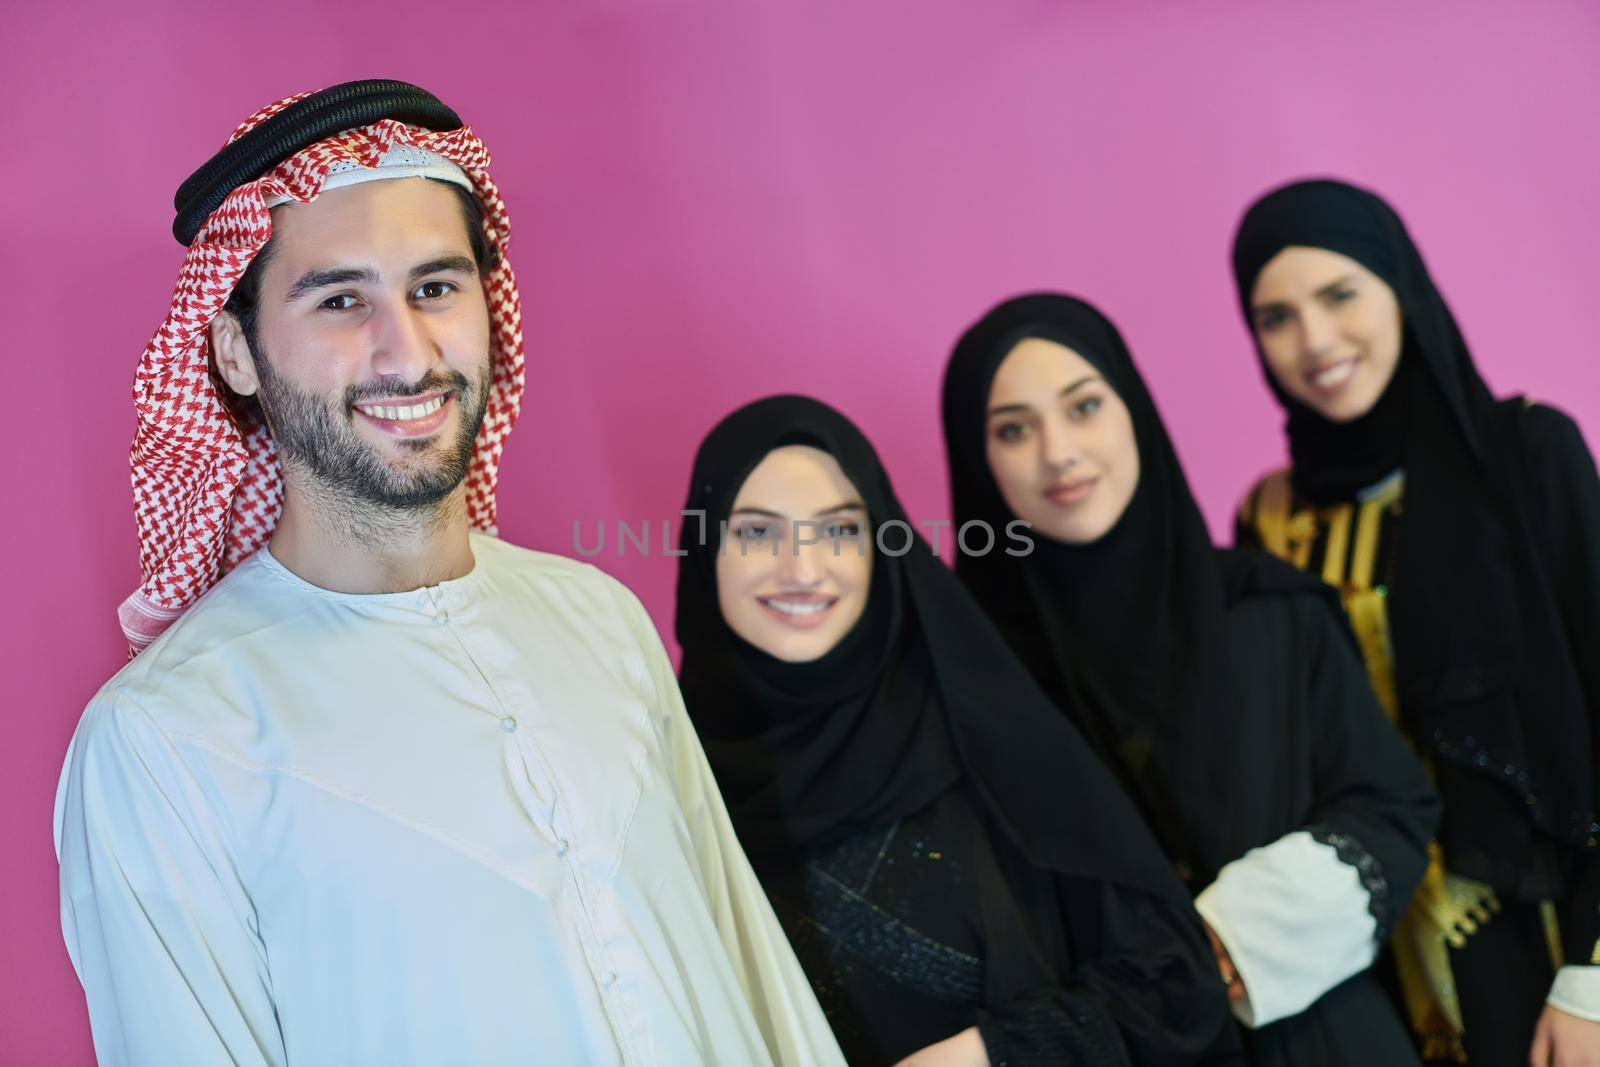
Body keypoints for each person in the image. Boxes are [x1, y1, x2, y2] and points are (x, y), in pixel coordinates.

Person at [54, 80, 843, 1067]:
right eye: (341, 298)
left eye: (436, 287)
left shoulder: (600, 620)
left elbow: (751, 979)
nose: (409, 350)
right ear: (235, 352)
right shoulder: (168, 739)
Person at [941, 293, 1439, 1065]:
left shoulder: (1270, 609)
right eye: (1013, 428)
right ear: (980, 463)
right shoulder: (968, 680)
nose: (1059, 452)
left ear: (1132, 408)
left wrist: (1232, 941)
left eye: (1084, 407)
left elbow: (1391, 804)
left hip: (1325, 1041)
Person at [673, 395, 1238, 1066]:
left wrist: (992, 1054)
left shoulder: (982, 733)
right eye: (758, 532)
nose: (803, 569)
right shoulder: (669, 784)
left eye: (841, 530)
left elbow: (1176, 983)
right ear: (705, 550)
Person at [1230, 178, 1600, 1066]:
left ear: (1400, 286)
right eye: (1275, 316)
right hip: (1374, 968)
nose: (1314, 340)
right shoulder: (1268, 522)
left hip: (1552, 947)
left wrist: (1593, 977)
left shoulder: (1523, 457)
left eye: (1340, 293)